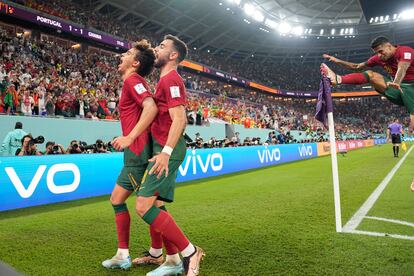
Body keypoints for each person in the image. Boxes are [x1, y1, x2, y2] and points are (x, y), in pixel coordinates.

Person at [133, 34, 204, 276]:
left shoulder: (171, 80)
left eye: (161, 46)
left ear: (173, 55)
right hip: (162, 150)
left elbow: (180, 119)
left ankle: (190, 252)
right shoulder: (164, 80)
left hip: (167, 152)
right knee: (156, 204)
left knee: (143, 207)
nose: (156, 48)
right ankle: (160, 256)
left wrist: (165, 153)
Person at [101, 39, 158, 270]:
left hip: (137, 152)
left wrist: (130, 137)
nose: (122, 55)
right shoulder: (134, 81)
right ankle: (128, 254)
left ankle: (176, 254)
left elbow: (151, 107)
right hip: (137, 153)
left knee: (152, 207)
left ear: (135, 63)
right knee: (117, 199)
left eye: (127, 53)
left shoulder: (133, 80)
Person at [321, 36, 414, 133]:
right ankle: (338, 79)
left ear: (389, 46)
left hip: (410, 88)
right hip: (397, 88)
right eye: (376, 53)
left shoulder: (405, 51)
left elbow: (402, 68)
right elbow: (356, 67)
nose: (379, 55)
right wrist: (336, 60)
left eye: (381, 51)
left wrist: (396, 82)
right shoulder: (378, 58)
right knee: (370, 74)